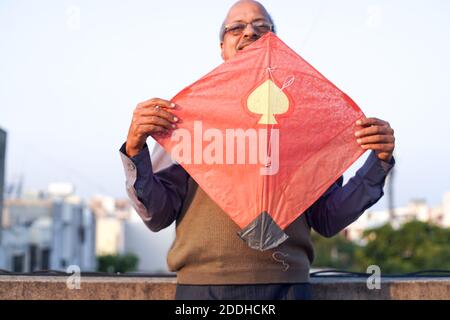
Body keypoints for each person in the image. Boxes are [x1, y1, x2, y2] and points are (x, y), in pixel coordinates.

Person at [119, 0, 396, 300]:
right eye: (236, 28)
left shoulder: (303, 123)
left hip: (287, 286)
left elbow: (328, 218)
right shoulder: (189, 118)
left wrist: (377, 162)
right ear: (222, 48)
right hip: (203, 287)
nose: (249, 33)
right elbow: (157, 215)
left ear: (277, 46)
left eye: (262, 28)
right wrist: (135, 149)